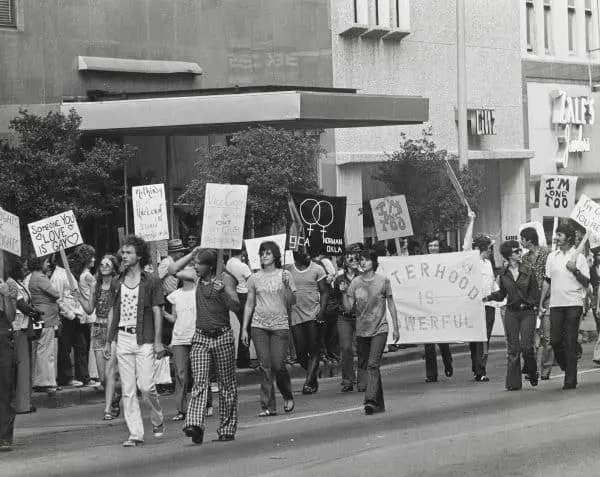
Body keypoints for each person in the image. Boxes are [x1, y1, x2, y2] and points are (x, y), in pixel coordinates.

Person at [170, 247, 240, 445]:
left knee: (226, 385)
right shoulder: (196, 277)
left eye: (200, 263)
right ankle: (195, 425)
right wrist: (192, 255)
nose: (196, 266)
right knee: (200, 381)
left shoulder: (224, 278)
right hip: (201, 336)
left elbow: (235, 306)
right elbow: (172, 270)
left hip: (222, 336)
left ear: (210, 266)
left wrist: (224, 291)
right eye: (196, 263)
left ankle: (226, 428)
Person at [105, 236, 166, 447]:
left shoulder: (151, 281)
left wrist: (158, 341)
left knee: (146, 386)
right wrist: (108, 341)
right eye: (123, 252)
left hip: (145, 339)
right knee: (128, 389)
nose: (124, 255)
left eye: (129, 252)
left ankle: (157, 417)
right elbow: (114, 311)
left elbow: (158, 310)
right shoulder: (117, 281)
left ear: (139, 256)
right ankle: (135, 433)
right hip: (123, 338)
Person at [241, 241, 296, 416]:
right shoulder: (254, 278)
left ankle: (287, 393)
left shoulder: (285, 275)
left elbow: (292, 301)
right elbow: (249, 304)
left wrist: (287, 286)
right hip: (259, 326)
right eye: (262, 253)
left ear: (275, 256)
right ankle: (268, 406)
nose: (264, 256)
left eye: (268, 253)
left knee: (278, 365)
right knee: (265, 367)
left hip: (280, 325)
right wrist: (244, 328)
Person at [343, 249, 400, 415]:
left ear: (374, 262)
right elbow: (349, 308)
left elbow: (391, 304)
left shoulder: (383, 281)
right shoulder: (355, 283)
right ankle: (379, 403)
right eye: (361, 260)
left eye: (367, 260)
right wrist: (344, 293)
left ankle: (370, 400)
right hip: (362, 330)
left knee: (373, 364)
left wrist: (396, 327)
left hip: (380, 328)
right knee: (370, 366)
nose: (363, 262)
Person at [539, 223, 590, 390]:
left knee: (569, 341)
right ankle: (568, 367)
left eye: (559, 235)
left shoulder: (579, 258)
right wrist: (541, 303)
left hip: (573, 304)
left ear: (568, 237)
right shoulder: (552, 257)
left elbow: (586, 282)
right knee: (554, 340)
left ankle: (570, 380)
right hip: (555, 305)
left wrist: (575, 270)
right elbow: (547, 281)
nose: (556, 238)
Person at [484, 240, 540, 390]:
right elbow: (502, 294)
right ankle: (513, 383)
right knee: (513, 349)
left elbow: (535, 293)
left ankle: (532, 371)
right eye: (516, 251)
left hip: (527, 312)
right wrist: (489, 297)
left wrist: (534, 306)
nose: (519, 253)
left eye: (519, 251)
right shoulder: (503, 273)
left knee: (527, 347)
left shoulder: (528, 270)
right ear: (509, 255)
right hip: (511, 312)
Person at [76, 254, 121, 420]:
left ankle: (107, 409)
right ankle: (115, 398)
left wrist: (111, 337)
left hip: (112, 331)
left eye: (107, 264)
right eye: (101, 264)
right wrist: (78, 296)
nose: (103, 266)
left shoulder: (118, 286)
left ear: (114, 267)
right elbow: (89, 309)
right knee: (102, 377)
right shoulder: (96, 286)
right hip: (97, 330)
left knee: (109, 373)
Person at [287, 250, 329, 395]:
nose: (307, 254)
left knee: (314, 349)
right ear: (295, 254)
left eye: (307, 250)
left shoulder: (317, 269)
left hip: (313, 314)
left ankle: (308, 382)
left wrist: (322, 311)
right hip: (295, 315)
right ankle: (313, 376)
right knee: (300, 353)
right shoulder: (288, 269)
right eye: (303, 252)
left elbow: (324, 291)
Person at [58, 245, 95, 387]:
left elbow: (76, 296)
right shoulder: (59, 276)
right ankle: (66, 377)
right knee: (66, 347)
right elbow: (59, 299)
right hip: (68, 317)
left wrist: (79, 312)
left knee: (81, 346)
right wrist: (70, 314)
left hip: (77, 315)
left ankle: (84, 377)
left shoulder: (73, 275)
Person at [6, 259, 40, 414]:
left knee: (25, 366)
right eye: (22, 268)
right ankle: (22, 404)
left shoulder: (17, 283)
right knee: (22, 367)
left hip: (24, 326)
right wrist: (33, 312)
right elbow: (21, 304)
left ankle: (24, 401)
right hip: (18, 327)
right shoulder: (11, 283)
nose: (24, 270)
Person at [165, 267, 197, 422]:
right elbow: (173, 318)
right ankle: (181, 409)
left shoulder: (199, 292)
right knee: (180, 374)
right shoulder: (175, 295)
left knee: (199, 374)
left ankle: (204, 404)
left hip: (197, 337)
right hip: (179, 338)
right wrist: (161, 312)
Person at [520, 227, 552, 380]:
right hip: (531, 302)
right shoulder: (524, 259)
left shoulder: (547, 254)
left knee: (547, 337)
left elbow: (550, 277)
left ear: (529, 240)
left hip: (546, 300)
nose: (521, 242)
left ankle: (545, 370)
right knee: (531, 339)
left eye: (522, 239)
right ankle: (533, 369)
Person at [423, 236, 453, 383]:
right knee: (428, 344)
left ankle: (448, 364)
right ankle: (431, 374)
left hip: (441, 306)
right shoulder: (421, 262)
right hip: (427, 306)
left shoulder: (445, 261)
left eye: (435, 245)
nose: (433, 247)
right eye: (430, 245)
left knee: (443, 341)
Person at [29, 255, 61, 393]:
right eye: (47, 262)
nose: (48, 264)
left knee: (41, 349)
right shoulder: (40, 278)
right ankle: (45, 382)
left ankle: (41, 380)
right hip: (46, 318)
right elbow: (55, 294)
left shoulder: (33, 276)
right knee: (46, 351)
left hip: (41, 317)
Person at [468, 234, 497, 382]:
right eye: (489, 248)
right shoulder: (474, 263)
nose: (491, 251)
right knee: (478, 338)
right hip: (476, 305)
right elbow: (465, 247)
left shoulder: (488, 264)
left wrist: (500, 296)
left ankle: (479, 368)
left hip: (489, 304)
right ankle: (479, 368)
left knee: (485, 337)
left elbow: (492, 284)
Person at [334, 243, 363, 393]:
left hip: (360, 317)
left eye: (355, 256)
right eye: (349, 256)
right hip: (344, 318)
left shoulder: (363, 277)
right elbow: (333, 298)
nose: (352, 259)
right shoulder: (339, 279)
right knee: (346, 348)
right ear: (344, 260)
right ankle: (347, 380)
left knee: (362, 348)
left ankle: (363, 380)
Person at [225, 248, 252, 368]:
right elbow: (252, 281)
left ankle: (243, 359)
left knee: (243, 326)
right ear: (243, 252)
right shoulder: (243, 266)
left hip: (236, 295)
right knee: (246, 327)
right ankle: (244, 359)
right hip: (245, 295)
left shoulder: (229, 263)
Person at [0, 275, 17, 451]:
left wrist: (5, 295)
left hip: (3, 337)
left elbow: (11, 316)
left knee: (5, 388)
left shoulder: (9, 283)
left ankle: (4, 436)